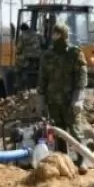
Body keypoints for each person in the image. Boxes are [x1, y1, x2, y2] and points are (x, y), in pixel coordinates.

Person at [36, 22, 88, 155]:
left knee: (76, 132)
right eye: (53, 33)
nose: (54, 36)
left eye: (57, 33)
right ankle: (62, 159)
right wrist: (41, 100)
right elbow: (42, 79)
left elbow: (81, 78)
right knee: (57, 133)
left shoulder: (74, 53)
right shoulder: (47, 56)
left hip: (69, 101)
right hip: (53, 102)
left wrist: (78, 99)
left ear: (63, 35)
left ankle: (82, 160)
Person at [15, 21, 41, 91]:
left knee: (17, 67)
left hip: (25, 60)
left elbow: (18, 49)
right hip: (37, 60)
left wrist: (17, 52)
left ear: (22, 30)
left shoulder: (22, 36)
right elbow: (43, 42)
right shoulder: (37, 35)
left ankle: (18, 84)